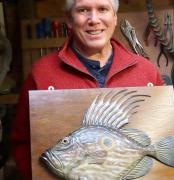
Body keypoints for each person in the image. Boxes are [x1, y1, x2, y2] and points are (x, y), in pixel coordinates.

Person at [11, 0, 163, 179]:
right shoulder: (41, 73)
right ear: (69, 19)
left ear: (114, 17)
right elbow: (21, 143)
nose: (94, 19)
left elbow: (164, 132)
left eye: (102, 9)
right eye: (83, 10)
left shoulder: (147, 71)